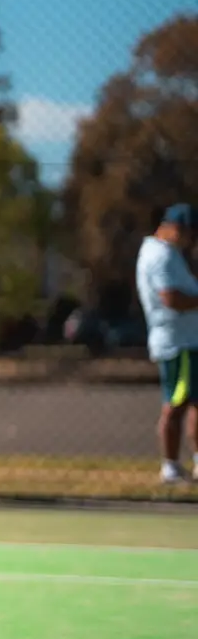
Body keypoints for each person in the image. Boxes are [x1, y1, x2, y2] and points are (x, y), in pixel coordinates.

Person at [136, 202, 198, 483]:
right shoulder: (160, 256)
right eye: (188, 233)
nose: (190, 240)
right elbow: (171, 298)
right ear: (173, 228)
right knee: (176, 403)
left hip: (187, 341)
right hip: (178, 343)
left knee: (193, 402)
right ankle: (171, 467)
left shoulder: (168, 253)